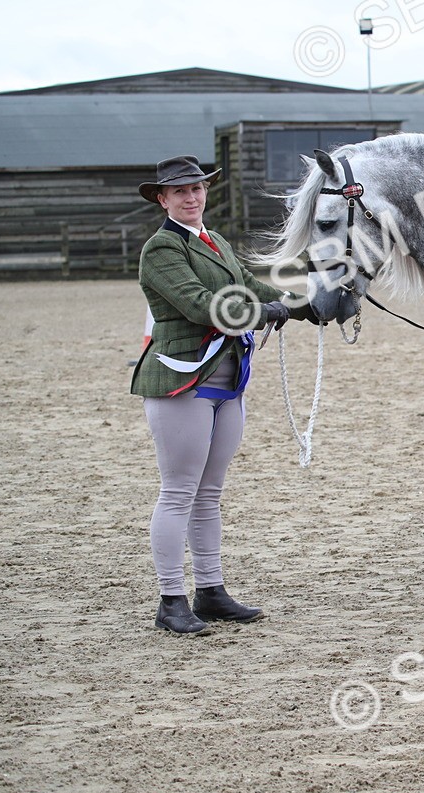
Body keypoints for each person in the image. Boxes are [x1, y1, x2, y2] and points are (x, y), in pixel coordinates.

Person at [131, 155, 316, 635]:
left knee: (209, 493)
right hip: (183, 379)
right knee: (178, 492)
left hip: (227, 380)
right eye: (180, 192)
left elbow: (249, 287)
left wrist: (302, 304)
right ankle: (171, 600)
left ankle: (210, 591)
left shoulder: (214, 240)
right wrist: (267, 310)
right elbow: (198, 303)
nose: (192, 197)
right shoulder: (161, 250)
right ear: (163, 199)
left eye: (197, 189)